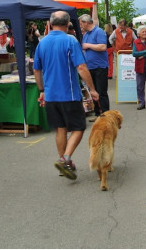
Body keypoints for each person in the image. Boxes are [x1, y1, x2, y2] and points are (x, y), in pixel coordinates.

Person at [33, 10, 99, 180]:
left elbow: (36, 69)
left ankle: (65, 165)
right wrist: (92, 89)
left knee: (60, 129)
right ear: (68, 24)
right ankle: (65, 159)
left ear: (50, 22)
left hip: (50, 95)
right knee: (78, 128)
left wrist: (42, 90)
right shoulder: (70, 40)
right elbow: (82, 67)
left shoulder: (42, 42)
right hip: (68, 93)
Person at [79, 14, 110, 122]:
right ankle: (97, 113)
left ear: (86, 22)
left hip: (100, 66)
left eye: (81, 23)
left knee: (101, 91)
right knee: (94, 91)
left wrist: (88, 45)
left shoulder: (99, 31)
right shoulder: (86, 34)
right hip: (90, 66)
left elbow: (103, 46)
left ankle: (106, 114)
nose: (80, 26)